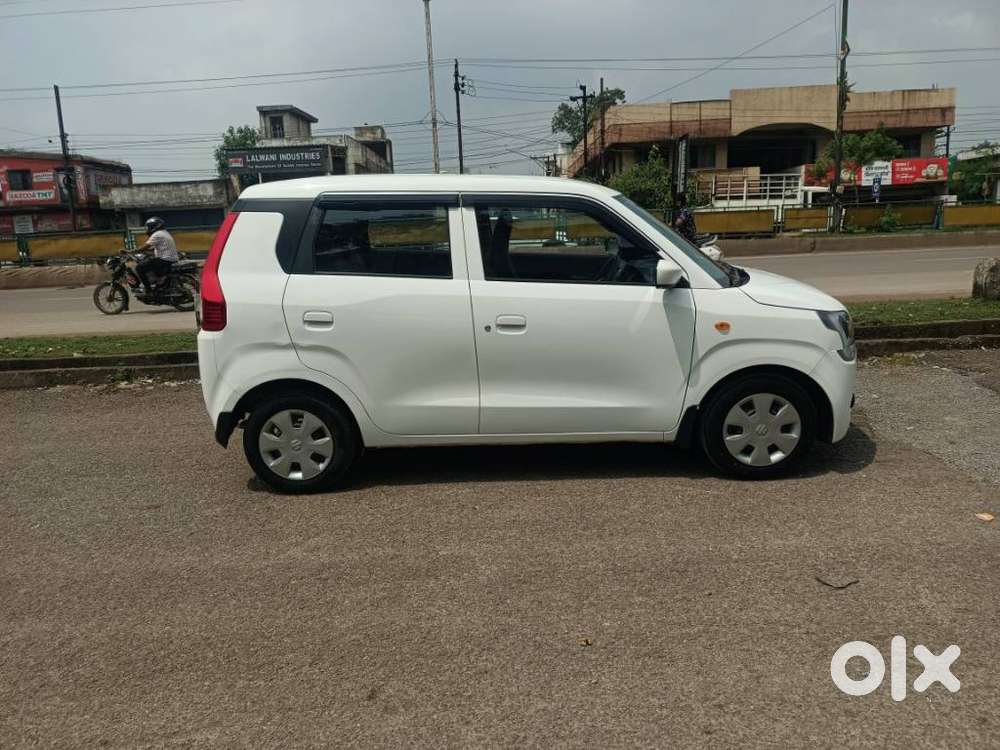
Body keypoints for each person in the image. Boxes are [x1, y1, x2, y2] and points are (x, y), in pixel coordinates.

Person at [134, 217, 178, 293]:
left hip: (164, 259)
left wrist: (131, 251)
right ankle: (158, 283)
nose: (148, 229)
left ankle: (148, 290)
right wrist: (146, 252)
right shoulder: (164, 232)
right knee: (150, 262)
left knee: (139, 267)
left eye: (149, 227)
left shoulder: (157, 234)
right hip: (170, 259)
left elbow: (145, 246)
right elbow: (154, 248)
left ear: (154, 226)